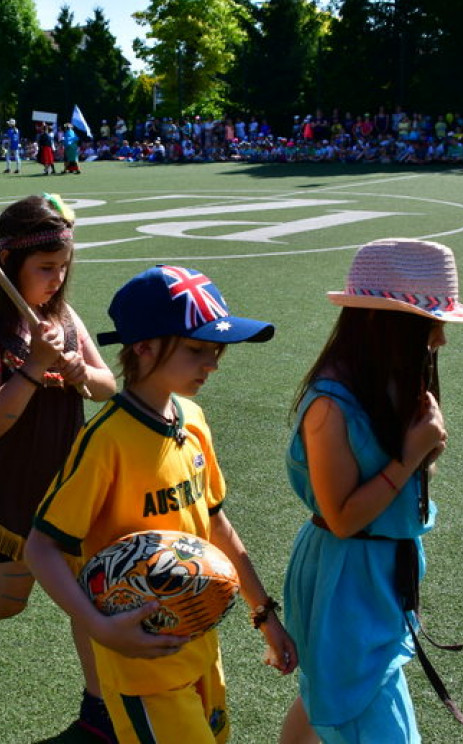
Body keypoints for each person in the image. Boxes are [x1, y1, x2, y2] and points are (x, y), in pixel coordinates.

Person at [26, 265, 298, 744]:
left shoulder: (191, 418)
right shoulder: (106, 440)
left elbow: (215, 523)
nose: (211, 362)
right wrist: (97, 628)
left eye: (216, 350)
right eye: (196, 349)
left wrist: (264, 613)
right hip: (139, 663)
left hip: (198, 639)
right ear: (144, 348)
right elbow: (41, 547)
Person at [0, 194, 118, 738]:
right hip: (11, 488)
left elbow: (108, 388)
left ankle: (96, 709)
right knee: (10, 599)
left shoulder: (63, 317)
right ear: (8, 264)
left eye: (63, 267)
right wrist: (34, 365)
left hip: (70, 485)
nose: (58, 279)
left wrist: (80, 369)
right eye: (45, 268)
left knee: (88, 596)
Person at [278, 238, 463, 744]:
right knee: (366, 711)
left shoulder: (390, 379)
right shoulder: (330, 405)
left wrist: (418, 450)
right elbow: (343, 518)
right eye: (430, 324)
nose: (440, 339)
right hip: (346, 575)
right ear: (385, 324)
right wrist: (412, 453)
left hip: (375, 571)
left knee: (330, 693)